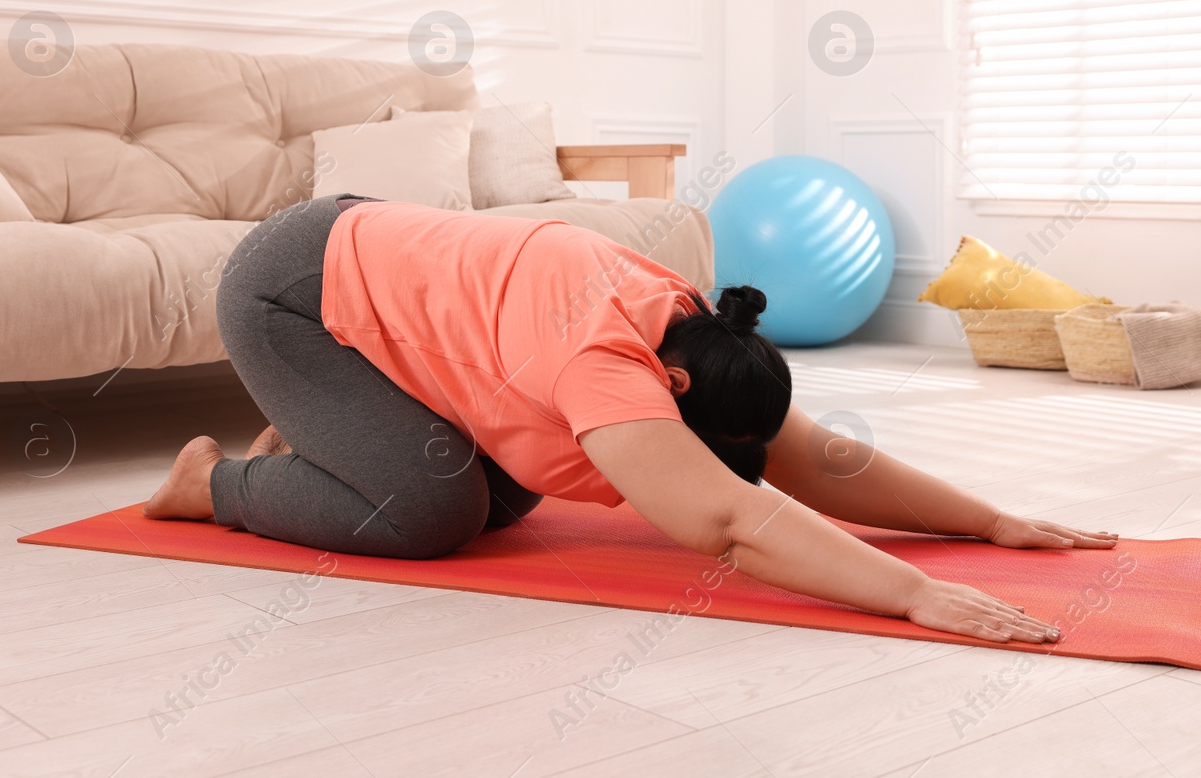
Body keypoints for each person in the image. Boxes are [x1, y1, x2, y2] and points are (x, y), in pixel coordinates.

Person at [146, 195, 1117, 644]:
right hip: (293, 290)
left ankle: (329, 446)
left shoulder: (698, 337)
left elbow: (809, 459)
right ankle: (213, 481)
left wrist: (986, 520)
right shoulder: (604, 361)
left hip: (394, 291)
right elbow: (729, 519)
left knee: (504, 499)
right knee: (430, 516)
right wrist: (910, 593)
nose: (742, 468)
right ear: (669, 394)